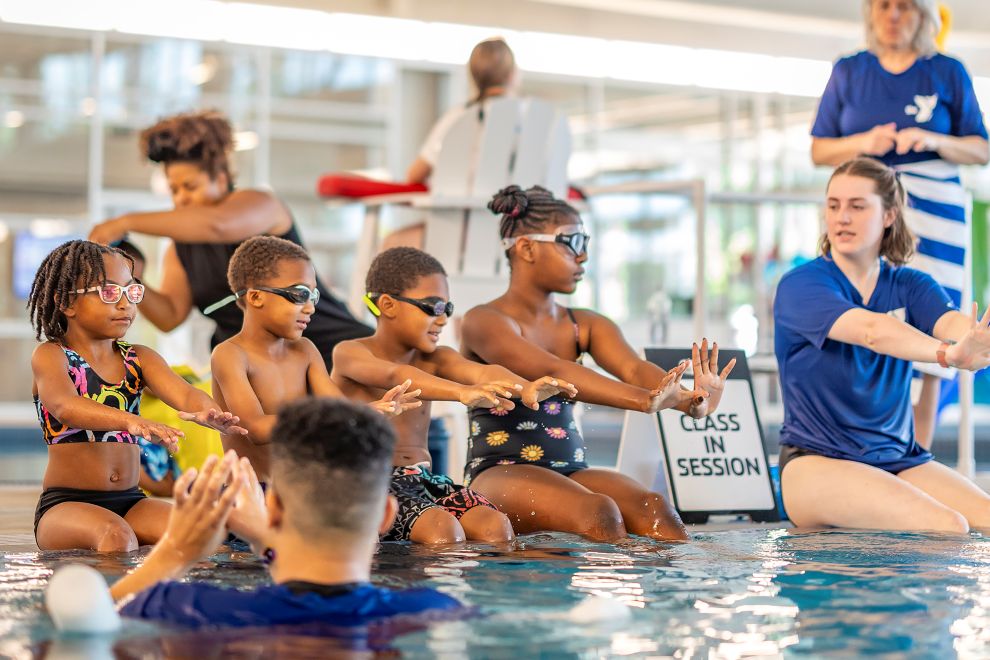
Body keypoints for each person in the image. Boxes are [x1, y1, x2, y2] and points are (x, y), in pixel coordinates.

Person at [458, 186, 736, 542]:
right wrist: (643, 401)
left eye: (586, 241)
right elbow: (554, 372)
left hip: (571, 471)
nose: (584, 256)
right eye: (572, 242)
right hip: (500, 472)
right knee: (597, 510)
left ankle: (671, 595)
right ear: (527, 248)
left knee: (656, 509)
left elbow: (635, 370)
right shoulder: (484, 321)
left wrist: (690, 400)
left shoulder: (584, 324)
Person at [774, 157, 990, 532]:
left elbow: (952, 323)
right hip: (814, 464)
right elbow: (871, 331)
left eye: (857, 207)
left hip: (898, 458)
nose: (842, 218)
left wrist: (975, 337)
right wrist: (947, 354)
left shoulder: (911, 283)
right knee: (948, 526)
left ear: (889, 215)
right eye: (834, 205)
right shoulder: (801, 285)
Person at [108, 398, 463, 626]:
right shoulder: (432, 609)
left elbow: (82, 618)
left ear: (273, 505)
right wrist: (265, 541)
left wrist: (176, 551)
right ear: (386, 515)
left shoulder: (191, 607)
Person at [809, 0, 989, 447]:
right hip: (869, 201)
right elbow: (819, 150)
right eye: (884, 6)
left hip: (936, 212)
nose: (893, 16)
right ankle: (860, 440)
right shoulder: (850, 71)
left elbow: (980, 149)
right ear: (871, 14)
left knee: (931, 311)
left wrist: (933, 140)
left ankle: (918, 449)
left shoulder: (947, 71)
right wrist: (864, 143)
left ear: (923, 15)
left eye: (905, 7)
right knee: (862, 309)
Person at [87, 110, 370, 370]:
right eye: (174, 189)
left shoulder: (260, 204)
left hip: (335, 350)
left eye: (190, 186)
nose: (181, 197)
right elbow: (169, 316)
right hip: (262, 368)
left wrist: (124, 222)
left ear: (221, 179)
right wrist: (133, 277)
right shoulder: (180, 247)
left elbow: (218, 225)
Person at [332, 247, 574, 544]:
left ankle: (480, 592)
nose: (443, 319)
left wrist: (524, 387)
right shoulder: (351, 352)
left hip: (421, 482)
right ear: (388, 305)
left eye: (447, 309)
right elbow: (397, 376)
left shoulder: (437, 357)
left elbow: (481, 373)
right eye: (433, 307)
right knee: (442, 531)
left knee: (495, 527)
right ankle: (419, 588)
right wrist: (461, 393)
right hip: (365, 483)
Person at [28, 240, 247, 552]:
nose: (125, 304)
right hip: (65, 505)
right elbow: (65, 406)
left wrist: (208, 411)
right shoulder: (52, 355)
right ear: (65, 302)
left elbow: (184, 394)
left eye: (131, 292)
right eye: (108, 292)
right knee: (117, 538)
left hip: (132, 501)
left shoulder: (138, 358)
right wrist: (132, 421)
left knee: (207, 537)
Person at [210, 236, 420, 486]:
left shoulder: (305, 350)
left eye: (314, 296)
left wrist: (372, 411)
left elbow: (338, 409)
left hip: (302, 489)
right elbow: (255, 429)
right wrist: (335, 415)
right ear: (256, 298)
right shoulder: (230, 355)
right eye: (300, 294)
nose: (310, 308)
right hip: (251, 492)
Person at [406, 37, 519, 185]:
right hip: (516, 206)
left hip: (457, 205)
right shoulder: (529, 122)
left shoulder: (457, 117)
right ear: (512, 75)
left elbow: (415, 174)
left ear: (473, 76)